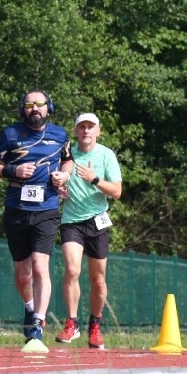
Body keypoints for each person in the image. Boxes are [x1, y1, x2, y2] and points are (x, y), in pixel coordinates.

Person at [0, 90, 73, 344]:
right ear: (22, 109)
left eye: (40, 104)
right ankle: (30, 306)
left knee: (40, 265)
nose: (35, 108)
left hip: (47, 208)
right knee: (23, 274)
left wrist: (64, 176)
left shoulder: (60, 135)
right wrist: (14, 170)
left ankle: (38, 322)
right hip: (17, 208)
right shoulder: (10, 134)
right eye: (29, 104)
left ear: (49, 107)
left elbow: (68, 161)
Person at [53, 113, 123, 349]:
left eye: (90, 127)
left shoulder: (106, 155)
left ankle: (95, 325)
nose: (86, 131)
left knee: (98, 279)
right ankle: (72, 323)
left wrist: (94, 179)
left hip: (97, 221)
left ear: (98, 131)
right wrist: (59, 188)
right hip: (71, 221)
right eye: (81, 127)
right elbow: (56, 179)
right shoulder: (67, 153)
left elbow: (117, 191)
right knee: (72, 269)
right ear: (76, 131)